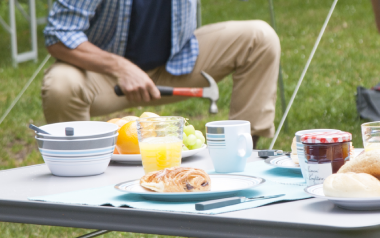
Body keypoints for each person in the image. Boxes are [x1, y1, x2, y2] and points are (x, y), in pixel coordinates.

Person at [41, 0, 281, 138]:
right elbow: (59, 34)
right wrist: (120, 67)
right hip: (105, 76)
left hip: (178, 63)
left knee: (260, 38)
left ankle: (244, 155)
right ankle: (80, 172)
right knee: (60, 86)